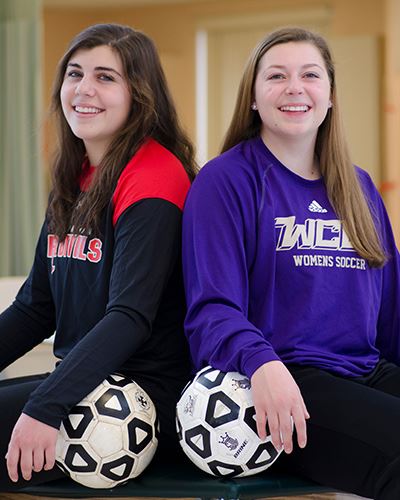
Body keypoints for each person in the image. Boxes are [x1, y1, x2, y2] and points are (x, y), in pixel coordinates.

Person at [182, 27, 400, 499]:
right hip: (285, 380)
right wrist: (263, 364)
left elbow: (391, 315)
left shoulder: (359, 188)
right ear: (255, 98)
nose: (294, 87)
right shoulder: (226, 182)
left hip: (365, 370)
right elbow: (210, 311)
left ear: (330, 96)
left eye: (310, 75)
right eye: (276, 76)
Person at [0, 23, 196, 490]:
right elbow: (35, 307)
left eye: (106, 77)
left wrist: (46, 405)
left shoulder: (154, 176)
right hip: (84, 383)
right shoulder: (77, 178)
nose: (83, 89)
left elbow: (129, 317)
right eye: (74, 73)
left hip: (140, 396)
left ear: (140, 94)